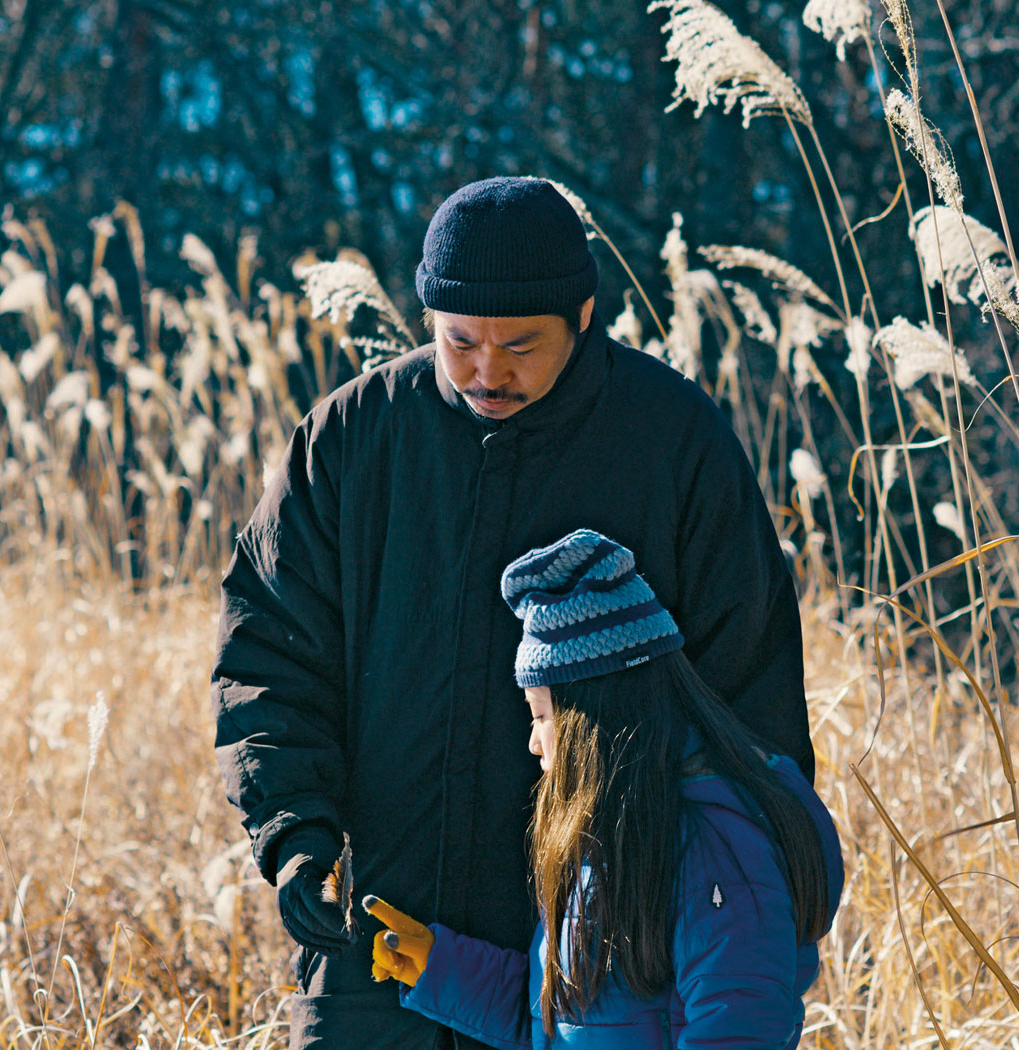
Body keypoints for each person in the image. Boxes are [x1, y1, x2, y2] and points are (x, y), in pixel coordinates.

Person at [211, 176, 813, 1047]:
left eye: (522, 345)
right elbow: (269, 656)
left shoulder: (673, 443)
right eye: (459, 342)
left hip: (598, 963)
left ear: (585, 313)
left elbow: (746, 704)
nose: (488, 371)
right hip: (380, 945)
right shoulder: (352, 440)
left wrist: (705, 904)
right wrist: (293, 832)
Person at [364, 530, 843, 1049]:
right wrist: (441, 969)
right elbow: (561, 1024)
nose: (532, 741)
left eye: (541, 714)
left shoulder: (718, 848)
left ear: (589, 720)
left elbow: (741, 1030)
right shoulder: (614, 839)